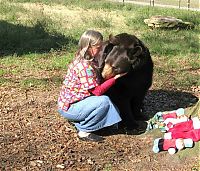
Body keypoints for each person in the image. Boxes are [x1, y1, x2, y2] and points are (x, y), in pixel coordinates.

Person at [57, 30, 126, 142]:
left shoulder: (87, 59)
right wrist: (115, 78)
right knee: (104, 102)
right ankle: (84, 130)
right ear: (89, 47)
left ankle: (81, 120)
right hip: (71, 107)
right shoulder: (84, 66)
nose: (100, 50)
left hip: (76, 102)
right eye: (98, 47)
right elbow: (97, 92)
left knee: (114, 109)